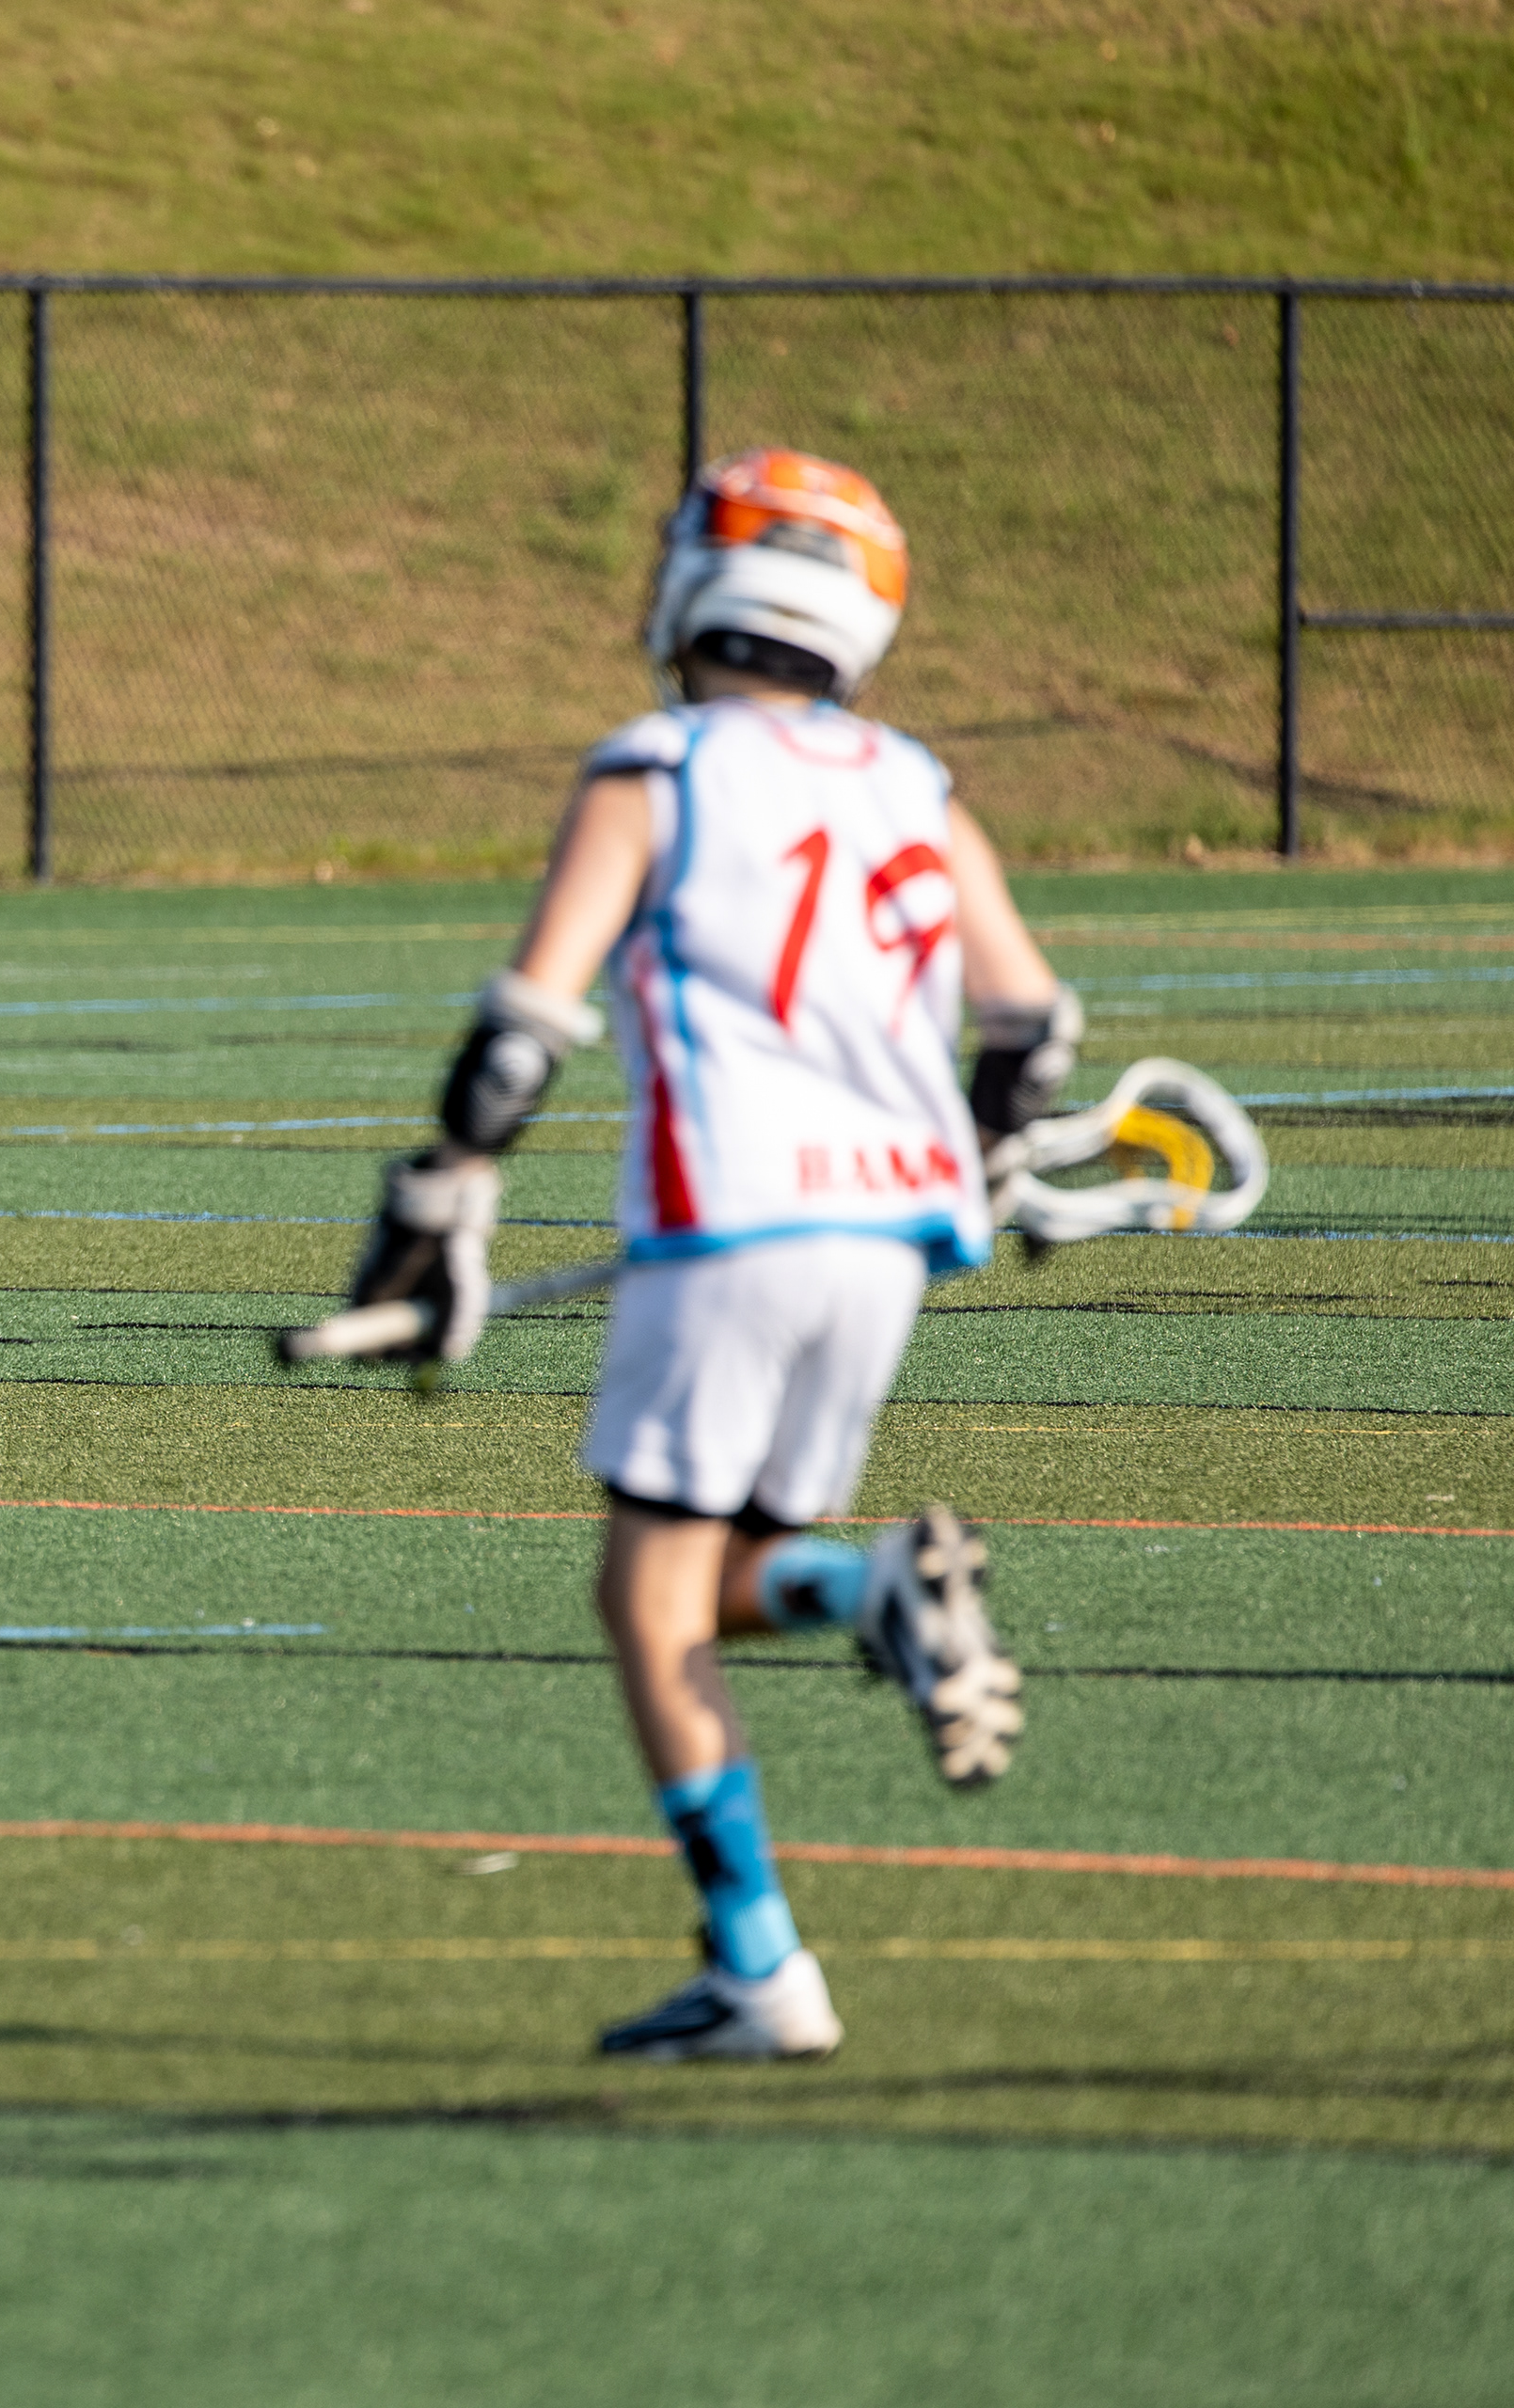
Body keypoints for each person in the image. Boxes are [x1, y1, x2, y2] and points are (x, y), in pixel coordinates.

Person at [344, 449, 1070, 2062]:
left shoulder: (653, 768)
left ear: (698, 585)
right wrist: (987, 1140)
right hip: (889, 1238)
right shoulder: (916, 786)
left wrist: (443, 1198)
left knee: (645, 1593)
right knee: (723, 1578)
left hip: (729, 1215)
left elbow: (522, 1035)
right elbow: (1029, 1022)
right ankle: (853, 1599)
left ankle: (762, 1966)